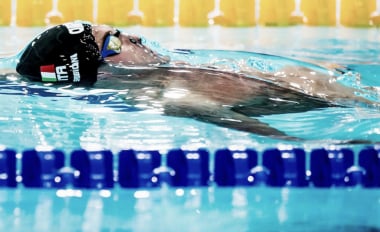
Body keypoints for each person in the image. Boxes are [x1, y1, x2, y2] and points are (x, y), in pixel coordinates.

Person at [14, 21, 379, 141]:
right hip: (357, 105)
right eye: (114, 42)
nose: (134, 38)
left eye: (119, 32)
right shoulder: (171, 95)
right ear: (100, 71)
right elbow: (280, 139)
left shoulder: (170, 69)